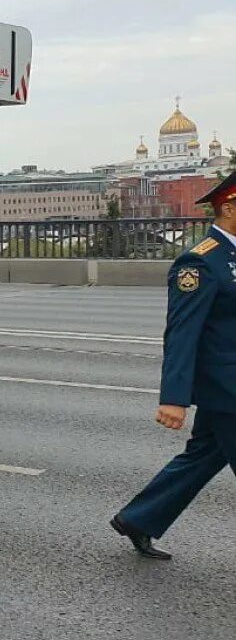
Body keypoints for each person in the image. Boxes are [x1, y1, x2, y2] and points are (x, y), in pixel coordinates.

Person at [112, 172, 236, 559]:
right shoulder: (200, 262)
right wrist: (174, 397)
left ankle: (140, 518)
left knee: (203, 457)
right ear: (229, 208)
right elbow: (182, 333)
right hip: (226, 388)